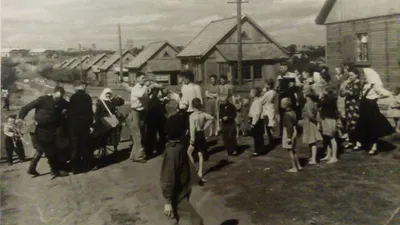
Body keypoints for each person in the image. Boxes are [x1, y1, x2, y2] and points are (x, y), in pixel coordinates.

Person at [161, 108, 203, 225]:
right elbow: (168, 177)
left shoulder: (179, 148)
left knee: (178, 219)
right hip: (177, 194)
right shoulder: (173, 152)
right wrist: (168, 201)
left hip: (182, 190)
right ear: (184, 132)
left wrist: (196, 178)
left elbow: (186, 165)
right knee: (196, 221)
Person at [19, 86, 69, 178]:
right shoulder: (43, 99)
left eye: (60, 98)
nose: (57, 99)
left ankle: (32, 168)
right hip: (39, 128)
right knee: (49, 149)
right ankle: (54, 171)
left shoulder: (62, 102)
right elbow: (26, 108)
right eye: (56, 97)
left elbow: (71, 108)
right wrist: (21, 118)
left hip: (52, 128)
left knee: (42, 148)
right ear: (53, 93)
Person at [122, 73, 158, 163]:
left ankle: (134, 155)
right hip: (136, 113)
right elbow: (141, 95)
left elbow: (147, 99)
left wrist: (153, 92)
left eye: (144, 78)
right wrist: (147, 86)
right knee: (138, 135)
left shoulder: (142, 88)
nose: (144, 79)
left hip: (142, 113)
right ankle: (139, 156)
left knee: (140, 134)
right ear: (137, 79)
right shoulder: (136, 88)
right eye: (142, 78)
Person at [355, 80, 394, 155]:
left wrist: (377, 97)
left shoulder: (374, 86)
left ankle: (374, 147)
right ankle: (361, 144)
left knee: (373, 128)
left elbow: (387, 93)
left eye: (366, 76)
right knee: (362, 127)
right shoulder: (363, 85)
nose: (364, 78)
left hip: (372, 110)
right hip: (364, 109)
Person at [92, 88, 125, 168]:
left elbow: (121, 103)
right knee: (104, 132)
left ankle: (114, 145)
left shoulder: (112, 100)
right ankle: (103, 146)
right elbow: (97, 113)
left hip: (111, 119)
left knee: (115, 129)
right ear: (104, 93)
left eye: (109, 94)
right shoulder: (100, 102)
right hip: (103, 120)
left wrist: (120, 98)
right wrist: (95, 121)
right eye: (107, 94)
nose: (108, 95)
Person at [68, 80, 94, 174]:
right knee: (85, 145)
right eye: (85, 85)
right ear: (82, 86)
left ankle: (75, 168)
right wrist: (91, 125)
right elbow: (89, 112)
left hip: (74, 124)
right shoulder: (87, 97)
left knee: (75, 146)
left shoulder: (73, 97)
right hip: (84, 124)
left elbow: (70, 111)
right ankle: (86, 166)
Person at [188, 98, 213, 183]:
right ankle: (200, 172)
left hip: (195, 135)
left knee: (189, 152)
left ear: (192, 105)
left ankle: (194, 171)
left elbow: (192, 128)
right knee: (200, 154)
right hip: (201, 134)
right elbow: (212, 118)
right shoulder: (203, 114)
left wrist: (192, 138)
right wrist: (205, 127)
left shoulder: (192, 116)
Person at [340, 68, 362, 150]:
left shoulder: (359, 83)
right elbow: (341, 94)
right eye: (349, 75)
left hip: (355, 106)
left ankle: (358, 142)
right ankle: (351, 142)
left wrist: (346, 91)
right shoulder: (349, 83)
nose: (350, 77)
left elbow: (354, 93)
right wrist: (345, 87)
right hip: (348, 105)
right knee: (348, 124)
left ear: (357, 75)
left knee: (355, 124)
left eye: (352, 75)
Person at [318, 85, 339, 163]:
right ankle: (329, 154)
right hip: (326, 119)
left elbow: (319, 104)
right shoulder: (330, 98)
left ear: (326, 91)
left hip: (329, 120)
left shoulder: (329, 99)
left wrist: (320, 97)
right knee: (327, 137)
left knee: (331, 138)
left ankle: (334, 156)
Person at [302, 89, 322, 165]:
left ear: (307, 95)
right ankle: (312, 156)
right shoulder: (313, 103)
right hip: (311, 123)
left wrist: (313, 119)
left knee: (312, 142)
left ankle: (314, 158)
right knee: (311, 141)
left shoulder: (307, 104)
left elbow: (310, 115)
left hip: (309, 123)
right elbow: (317, 113)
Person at [281, 98, 302, 172]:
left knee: (290, 150)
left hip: (288, 133)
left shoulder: (286, 115)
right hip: (294, 131)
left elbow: (289, 127)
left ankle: (294, 167)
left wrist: (288, 137)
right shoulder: (293, 112)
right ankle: (298, 165)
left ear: (284, 105)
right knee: (293, 150)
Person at [261, 78, 277, 147]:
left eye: (266, 84)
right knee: (269, 126)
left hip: (268, 110)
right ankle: (271, 140)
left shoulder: (268, 93)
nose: (264, 85)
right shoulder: (273, 92)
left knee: (269, 126)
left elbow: (262, 101)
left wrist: (263, 93)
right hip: (270, 108)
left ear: (269, 85)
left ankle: (271, 141)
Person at [248, 87, 264, 157]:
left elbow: (257, 113)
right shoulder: (255, 101)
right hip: (256, 120)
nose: (250, 93)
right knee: (257, 136)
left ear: (254, 94)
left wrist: (253, 123)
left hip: (257, 121)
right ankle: (259, 149)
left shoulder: (257, 102)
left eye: (251, 92)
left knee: (258, 136)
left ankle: (258, 151)